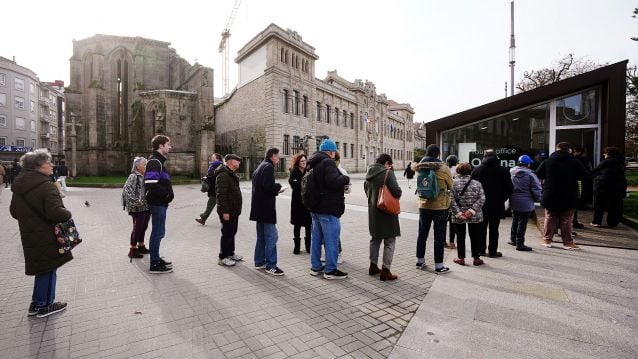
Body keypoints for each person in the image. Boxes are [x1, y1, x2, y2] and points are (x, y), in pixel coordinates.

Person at [10, 149, 72, 318]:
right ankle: (45, 305)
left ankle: (36, 303)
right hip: (47, 233)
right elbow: (56, 213)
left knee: (41, 268)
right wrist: (68, 213)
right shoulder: (46, 185)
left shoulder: (20, 185)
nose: (52, 165)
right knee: (49, 267)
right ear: (38, 166)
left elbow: (14, 211)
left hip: (29, 233)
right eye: (48, 162)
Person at [307, 138, 350, 279]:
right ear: (331, 152)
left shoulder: (312, 162)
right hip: (328, 208)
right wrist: (345, 178)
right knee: (331, 239)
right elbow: (333, 182)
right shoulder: (328, 162)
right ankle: (330, 270)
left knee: (316, 239)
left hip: (315, 208)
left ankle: (315, 267)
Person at [536, 142, 588, 250]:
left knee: (550, 217)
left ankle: (547, 240)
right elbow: (584, 175)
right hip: (569, 193)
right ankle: (568, 243)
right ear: (569, 150)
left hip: (551, 193)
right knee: (567, 219)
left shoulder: (548, 161)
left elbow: (539, 174)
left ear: (557, 149)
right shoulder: (575, 161)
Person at [414, 144, 453, 273]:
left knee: (422, 233)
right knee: (439, 236)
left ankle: (420, 261)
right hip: (440, 206)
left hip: (423, 204)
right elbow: (450, 185)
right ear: (438, 154)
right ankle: (439, 266)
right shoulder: (444, 168)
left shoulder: (419, 167)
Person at [365, 153, 402, 281]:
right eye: (390, 164)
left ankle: (373, 266)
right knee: (390, 241)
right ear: (387, 163)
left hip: (374, 212)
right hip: (387, 212)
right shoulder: (388, 173)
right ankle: (386, 270)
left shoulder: (368, 173)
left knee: (375, 239)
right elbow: (397, 192)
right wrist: (391, 173)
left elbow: (367, 192)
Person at [471, 149, 513, 258]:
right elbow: (510, 188)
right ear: (496, 157)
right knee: (494, 229)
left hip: (480, 205)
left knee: (481, 229)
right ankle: (492, 251)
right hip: (496, 204)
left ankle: (481, 250)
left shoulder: (477, 170)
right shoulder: (503, 170)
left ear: (484, 157)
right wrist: (502, 199)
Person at [250, 148, 285, 276]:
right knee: (272, 237)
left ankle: (259, 262)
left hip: (258, 209)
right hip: (266, 209)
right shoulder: (268, 167)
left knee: (261, 237)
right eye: (278, 156)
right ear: (273, 156)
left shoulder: (260, 166)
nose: (279, 159)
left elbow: (261, 186)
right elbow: (268, 187)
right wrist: (279, 187)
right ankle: (271, 265)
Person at [144, 135, 175, 273]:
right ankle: (154, 264)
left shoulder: (159, 161)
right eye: (168, 144)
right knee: (157, 232)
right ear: (161, 146)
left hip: (160, 203)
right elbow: (150, 184)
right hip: (157, 203)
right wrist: (167, 194)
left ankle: (156, 257)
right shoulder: (154, 162)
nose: (170, 147)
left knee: (159, 232)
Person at [450, 162, 486, 266]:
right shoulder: (477, 183)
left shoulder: (453, 183)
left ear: (457, 171)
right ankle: (476, 258)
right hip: (475, 215)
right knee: (475, 236)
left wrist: (459, 213)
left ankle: (461, 258)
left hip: (459, 216)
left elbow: (451, 200)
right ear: (470, 171)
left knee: (460, 236)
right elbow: (482, 198)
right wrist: (471, 211)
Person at [215, 154, 244, 266]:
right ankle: (223, 257)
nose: (239, 163)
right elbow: (221, 195)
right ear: (231, 161)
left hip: (234, 210)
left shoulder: (231, 174)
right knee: (226, 233)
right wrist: (225, 212)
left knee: (232, 232)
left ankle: (230, 253)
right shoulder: (223, 175)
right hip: (227, 211)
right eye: (238, 161)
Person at [509, 155, 542, 251]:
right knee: (522, 222)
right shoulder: (531, 175)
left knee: (515, 219)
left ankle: (513, 239)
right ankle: (520, 243)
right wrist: (539, 199)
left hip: (514, 200)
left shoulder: (511, 172)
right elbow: (536, 189)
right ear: (528, 164)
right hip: (526, 201)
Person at [591, 146, 627, 228]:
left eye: (605, 153)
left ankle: (597, 221)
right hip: (619, 186)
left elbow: (595, 171)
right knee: (615, 204)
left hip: (604, 186)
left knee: (599, 204)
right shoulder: (621, 162)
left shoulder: (606, 162)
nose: (604, 155)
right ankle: (613, 222)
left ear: (608, 154)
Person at [123, 157, 151, 259]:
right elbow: (127, 190)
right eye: (144, 164)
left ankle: (141, 245)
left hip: (146, 206)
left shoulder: (144, 176)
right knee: (137, 227)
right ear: (138, 166)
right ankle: (133, 249)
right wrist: (136, 201)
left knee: (144, 227)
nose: (146, 166)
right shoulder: (133, 176)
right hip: (137, 207)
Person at [288, 153, 312, 254]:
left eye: (305, 161)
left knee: (308, 225)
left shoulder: (309, 171)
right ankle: (296, 247)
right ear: (298, 162)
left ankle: (308, 247)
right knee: (297, 225)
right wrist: (304, 186)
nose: (304, 163)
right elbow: (294, 186)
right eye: (302, 161)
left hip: (307, 202)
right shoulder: (293, 172)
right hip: (297, 202)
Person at [195, 153, 224, 225]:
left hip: (216, 189)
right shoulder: (213, 165)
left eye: (213, 156)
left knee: (215, 205)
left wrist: (207, 178)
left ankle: (203, 218)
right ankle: (203, 218)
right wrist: (207, 177)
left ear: (217, 158)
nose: (211, 157)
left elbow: (216, 176)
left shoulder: (219, 165)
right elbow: (212, 174)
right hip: (214, 188)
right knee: (214, 205)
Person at [445, 155, 459, 249]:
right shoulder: (458, 170)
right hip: (456, 200)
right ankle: (452, 242)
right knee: (453, 223)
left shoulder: (445, 170)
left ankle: (442, 241)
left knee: (443, 222)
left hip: (445, 199)